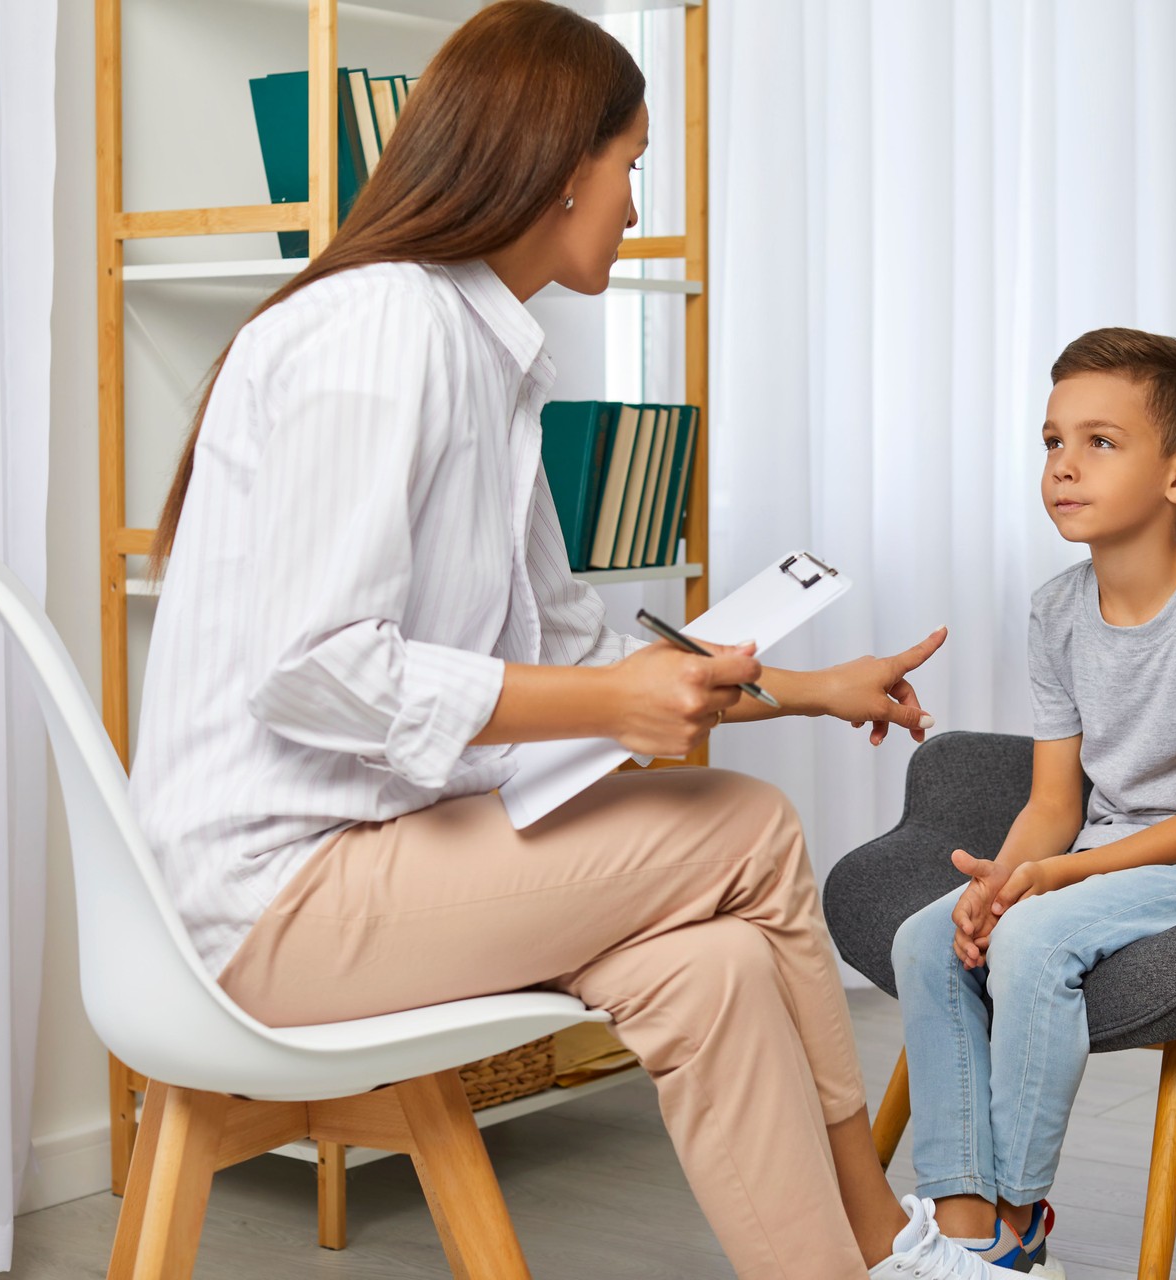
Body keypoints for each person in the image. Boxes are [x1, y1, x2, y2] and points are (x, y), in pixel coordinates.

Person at [127, 4, 1020, 1276]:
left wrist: (814, 685)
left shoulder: (486, 365)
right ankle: (890, 1241)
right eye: (632, 162)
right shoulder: (384, 326)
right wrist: (607, 706)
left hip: (374, 865)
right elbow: (313, 665)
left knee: (707, 965)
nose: (636, 198)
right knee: (751, 827)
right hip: (271, 900)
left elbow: (591, 664)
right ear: (559, 167)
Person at [889, 329, 1176, 1275]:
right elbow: (1053, 800)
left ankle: (1016, 1219)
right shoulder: (1055, 610)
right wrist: (1000, 882)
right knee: (929, 937)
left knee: (1035, 939)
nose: (1063, 467)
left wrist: (1050, 885)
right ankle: (959, 1233)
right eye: (1052, 442)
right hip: (1109, 850)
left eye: (1100, 443)